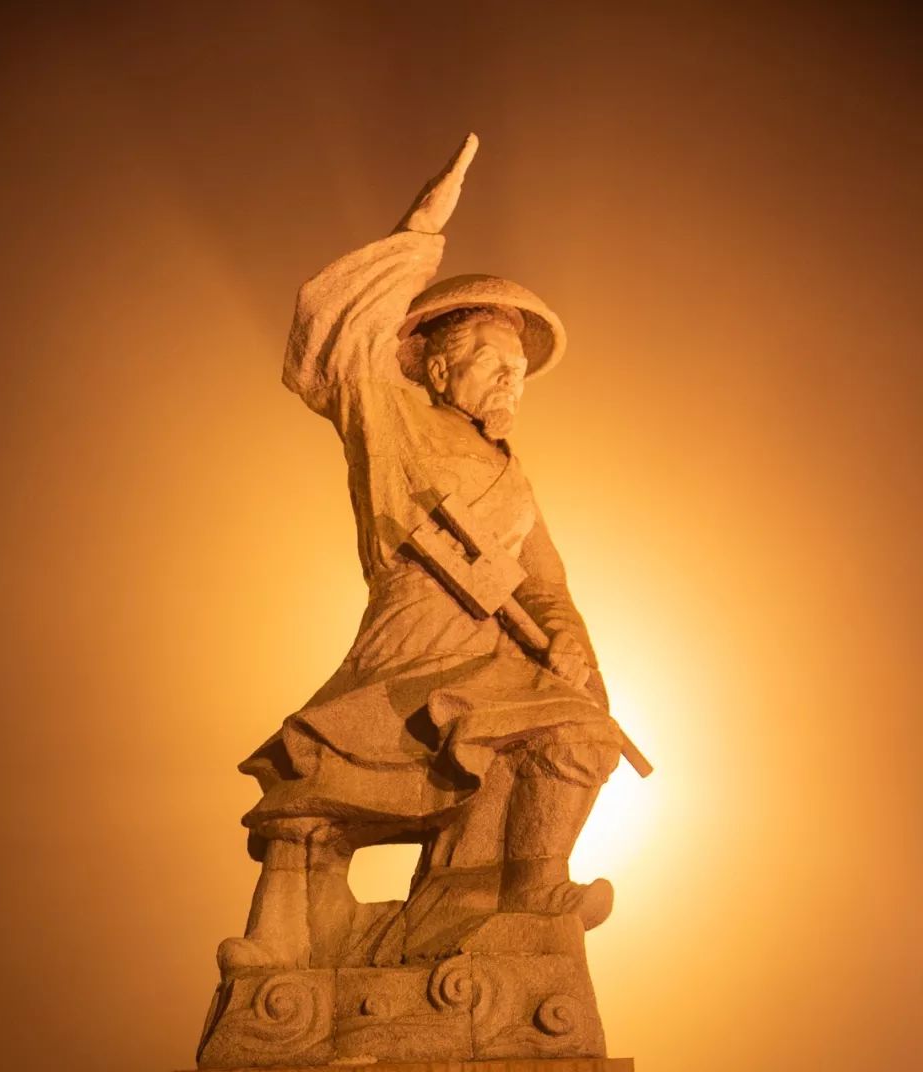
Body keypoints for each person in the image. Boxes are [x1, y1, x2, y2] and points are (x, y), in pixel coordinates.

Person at [218, 133, 622, 975]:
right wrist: (419, 233)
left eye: (517, 370)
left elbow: (546, 581)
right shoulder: (393, 420)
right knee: (320, 781)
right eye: (491, 364)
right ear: (438, 370)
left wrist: (569, 636)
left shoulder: (513, 476)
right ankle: (288, 925)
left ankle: (532, 889)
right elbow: (347, 343)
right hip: (409, 643)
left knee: (583, 726)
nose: (510, 383)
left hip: (492, 654)